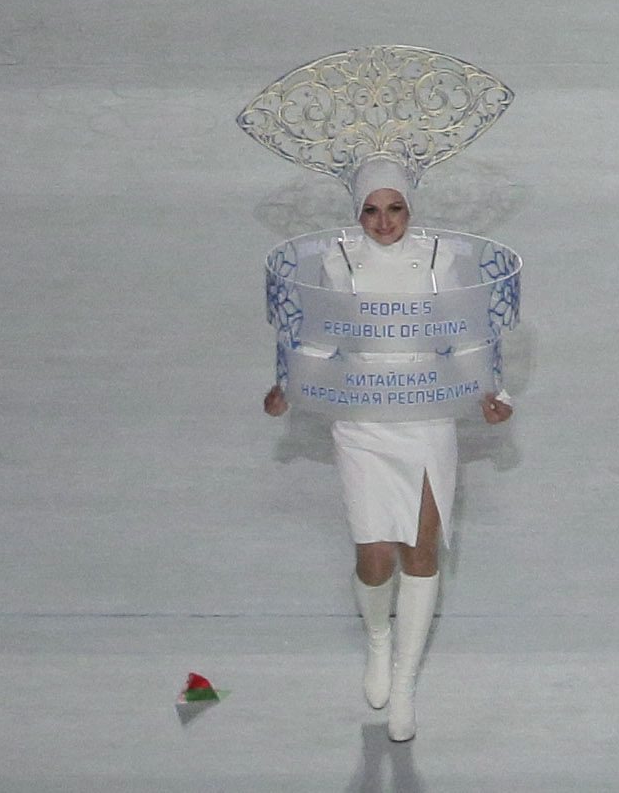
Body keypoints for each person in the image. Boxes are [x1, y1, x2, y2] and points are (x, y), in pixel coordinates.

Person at [252, 90, 518, 748]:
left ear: (410, 206)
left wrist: (494, 392)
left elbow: (464, 334)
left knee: (420, 552)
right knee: (374, 558)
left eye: (394, 206)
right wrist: (287, 383)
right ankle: (378, 637)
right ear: (357, 212)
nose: (384, 220)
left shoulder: (439, 260)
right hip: (363, 422)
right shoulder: (337, 259)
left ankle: (403, 681)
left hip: (426, 419)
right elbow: (321, 337)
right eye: (372, 209)